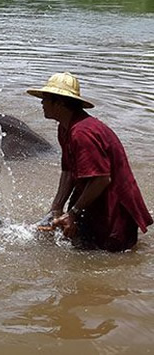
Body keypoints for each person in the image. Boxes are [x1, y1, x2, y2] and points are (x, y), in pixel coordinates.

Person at [28, 72, 152, 251]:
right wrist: (57, 207)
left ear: (60, 103)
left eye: (45, 98)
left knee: (107, 257)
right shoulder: (65, 128)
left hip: (112, 208)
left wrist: (73, 213)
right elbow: (68, 170)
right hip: (92, 196)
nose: (41, 103)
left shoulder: (82, 133)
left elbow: (102, 179)